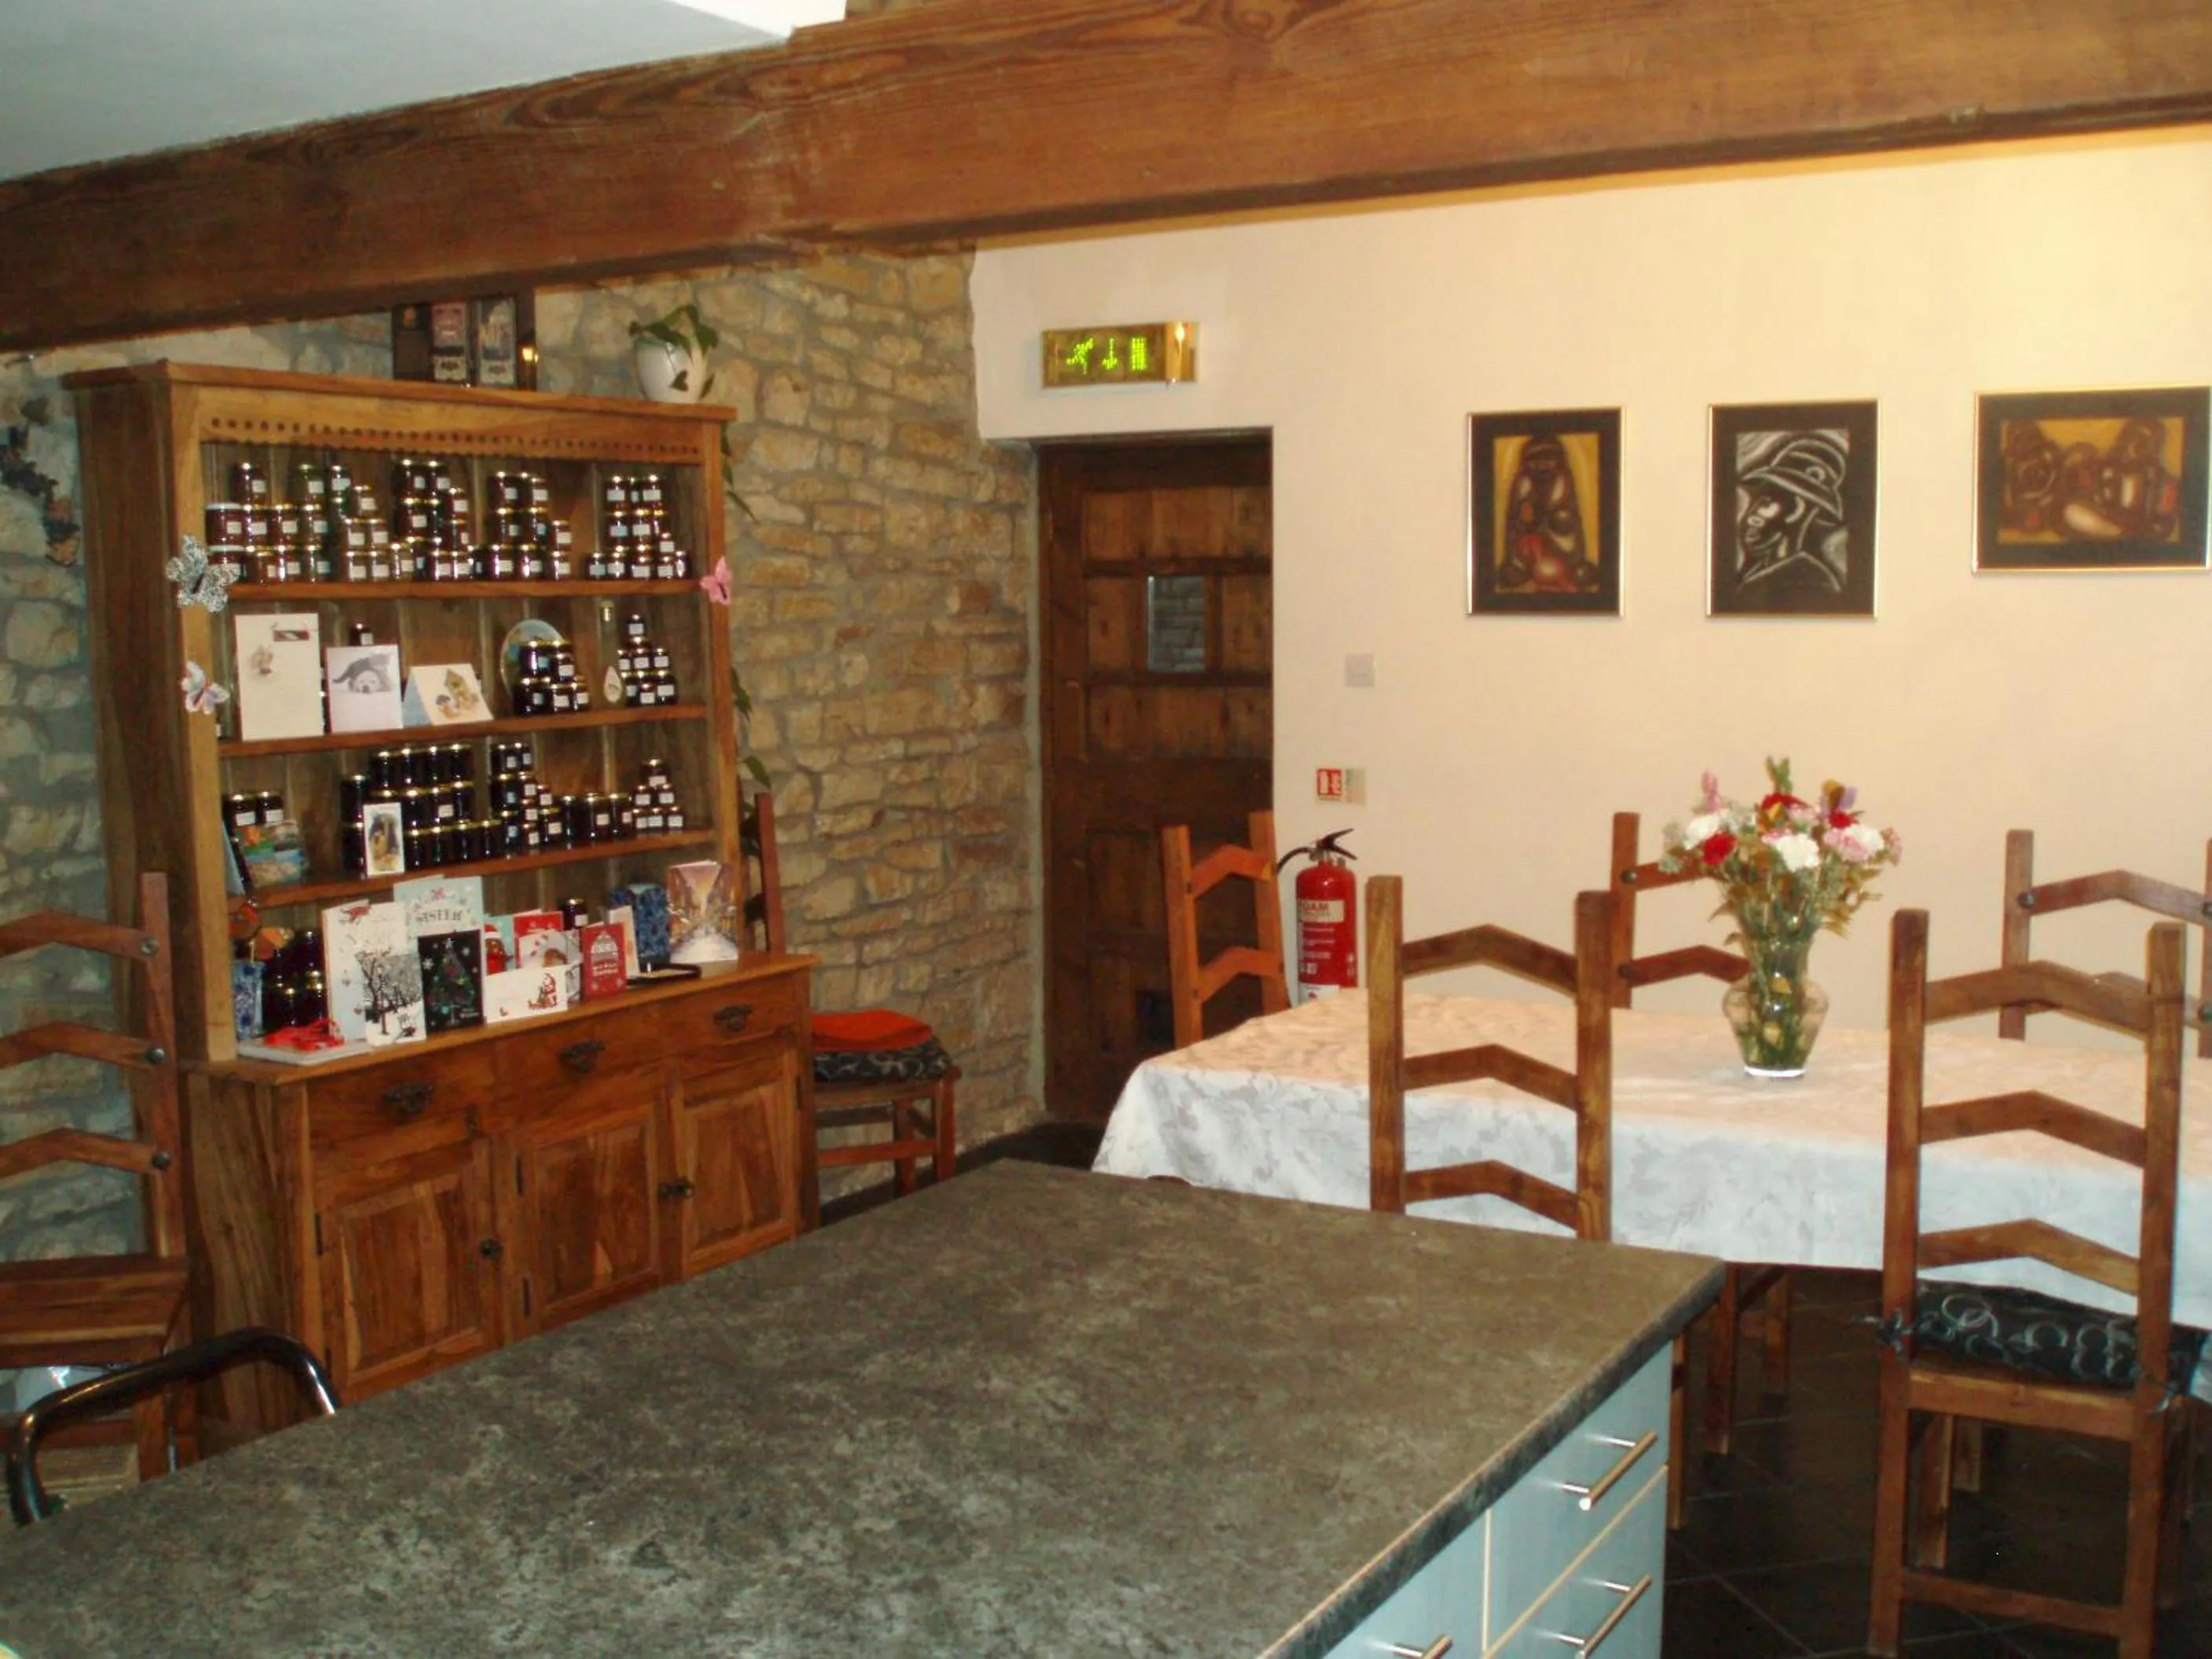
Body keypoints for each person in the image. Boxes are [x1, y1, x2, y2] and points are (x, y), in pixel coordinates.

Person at [1733, 431, 1850, 599]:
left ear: (1798, 510)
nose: (1751, 515)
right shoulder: (1756, 573)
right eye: (1754, 502)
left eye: (1766, 503)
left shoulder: (1808, 580)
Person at [1498, 434, 1599, 593]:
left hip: (1560, 545)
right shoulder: (1522, 484)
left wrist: (1554, 521)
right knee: (1511, 575)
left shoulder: (1564, 482)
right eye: (1535, 460)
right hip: (1528, 549)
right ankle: (1525, 570)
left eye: (1548, 460)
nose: (1542, 466)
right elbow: (1513, 526)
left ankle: (1565, 570)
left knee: (1562, 519)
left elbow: (1571, 524)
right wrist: (1523, 520)